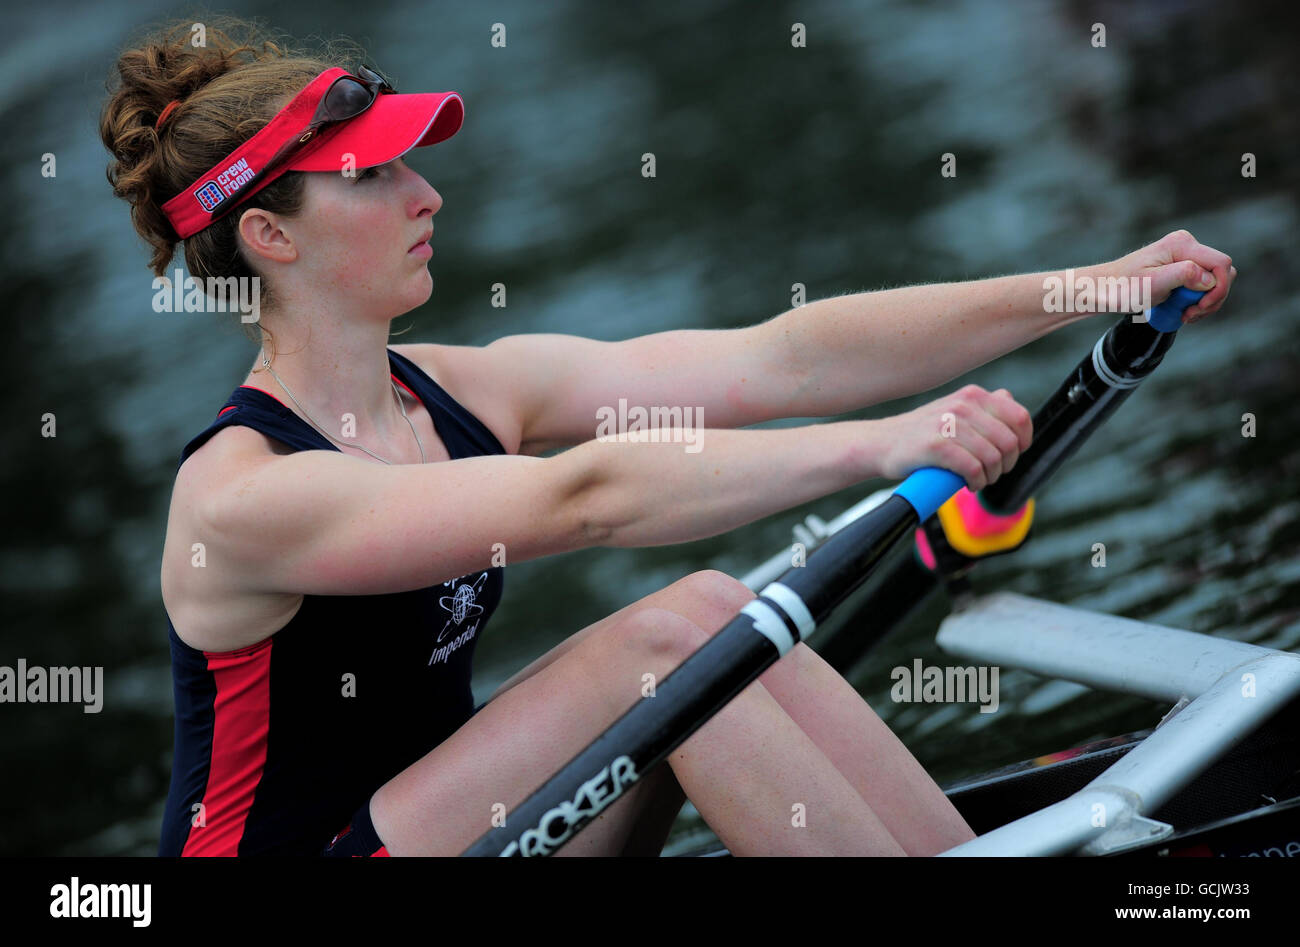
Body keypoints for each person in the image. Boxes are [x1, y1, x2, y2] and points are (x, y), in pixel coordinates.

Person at [100, 18, 1236, 857]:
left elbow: (780, 360)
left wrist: (1086, 285)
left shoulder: (454, 389)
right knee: (668, 640)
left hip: (460, 826)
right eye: (375, 174)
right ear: (267, 236)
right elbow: (580, 499)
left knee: (708, 619)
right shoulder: (239, 498)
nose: (425, 196)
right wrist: (876, 449)